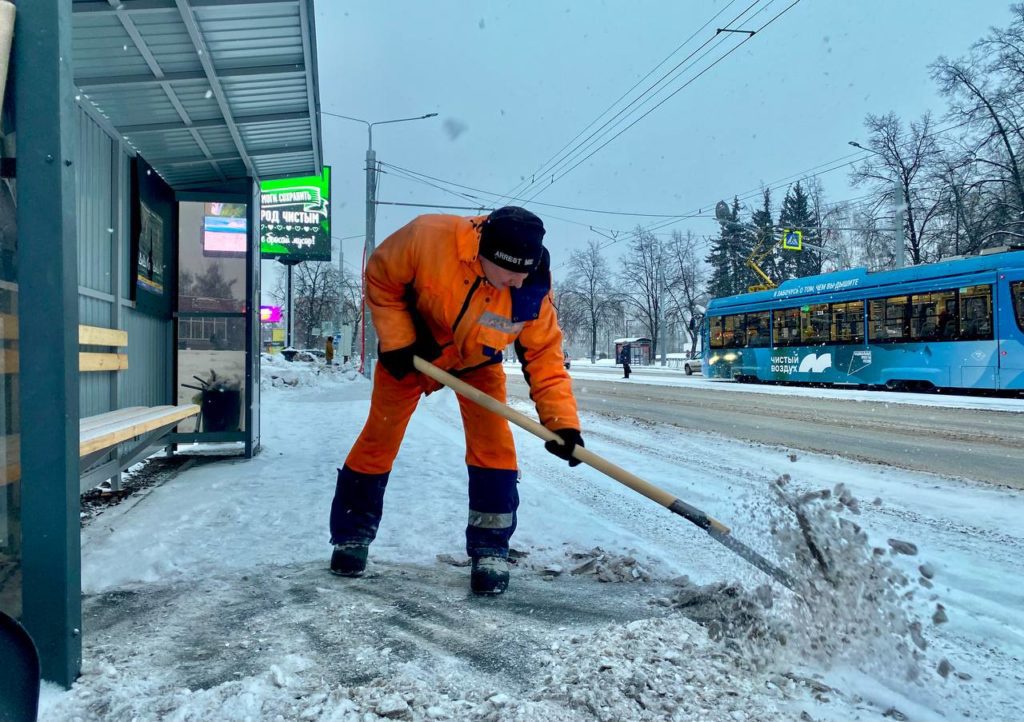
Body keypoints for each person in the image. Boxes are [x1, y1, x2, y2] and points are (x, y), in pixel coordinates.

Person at [329, 207, 584, 595]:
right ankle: (351, 537)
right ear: (485, 255)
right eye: (510, 273)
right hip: (413, 354)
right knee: (379, 439)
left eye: (525, 273)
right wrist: (398, 341)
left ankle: (490, 549)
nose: (518, 281)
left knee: (494, 447)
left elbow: (546, 360)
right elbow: (381, 277)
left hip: (477, 363)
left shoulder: (531, 294)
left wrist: (562, 424)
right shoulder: (428, 238)